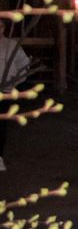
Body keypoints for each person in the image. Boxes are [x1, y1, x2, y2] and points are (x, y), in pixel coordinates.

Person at [0, 18, 32, 172]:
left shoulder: (12, 45)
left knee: (1, 125)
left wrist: (15, 80)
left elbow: (24, 64)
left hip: (5, 91)